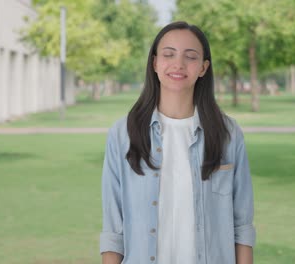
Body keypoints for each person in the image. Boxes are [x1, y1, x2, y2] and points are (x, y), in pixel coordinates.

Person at [100, 21, 256, 264]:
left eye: (190, 57)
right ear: (154, 63)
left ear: (204, 67)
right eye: (168, 54)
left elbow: (242, 225)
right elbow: (113, 228)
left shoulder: (228, 134)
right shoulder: (123, 134)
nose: (178, 64)